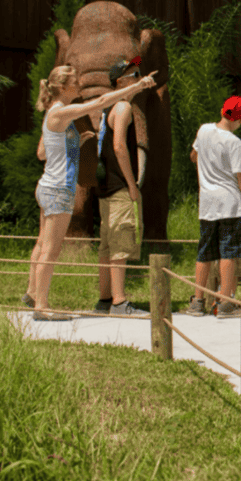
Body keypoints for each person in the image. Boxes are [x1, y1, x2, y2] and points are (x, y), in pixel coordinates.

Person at [25, 63, 157, 317]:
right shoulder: (61, 111)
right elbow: (102, 101)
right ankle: (41, 306)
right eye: (75, 81)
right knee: (51, 250)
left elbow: (43, 152)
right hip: (58, 189)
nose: (80, 85)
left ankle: (33, 294)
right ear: (62, 87)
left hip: (47, 186)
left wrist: (73, 142)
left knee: (43, 245)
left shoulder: (54, 113)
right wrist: (139, 86)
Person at [187, 96, 241, 318]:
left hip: (207, 204)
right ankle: (226, 302)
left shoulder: (204, 130)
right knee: (229, 252)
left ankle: (198, 301)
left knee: (204, 252)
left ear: (222, 111)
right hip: (230, 204)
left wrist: (211, 167)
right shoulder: (235, 143)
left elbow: (193, 156)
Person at [94, 57, 145, 316]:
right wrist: (131, 183)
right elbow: (118, 146)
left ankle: (105, 299)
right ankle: (120, 301)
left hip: (105, 186)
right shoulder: (123, 106)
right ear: (121, 82)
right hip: (118, 186)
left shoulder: (108, 108)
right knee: (121, 243)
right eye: (134, 75)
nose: (139, 78)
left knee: (107, 244)